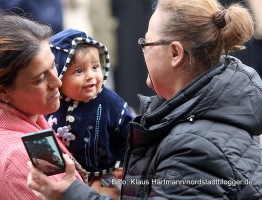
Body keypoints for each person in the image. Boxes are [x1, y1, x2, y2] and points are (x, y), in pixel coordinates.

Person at [27, 0, 262, 199]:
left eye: (146, 43)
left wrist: (71, 192)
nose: (142, 50)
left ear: (175, 54)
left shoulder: (194, 149)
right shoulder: (187, 115)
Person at [0, 14, 91, 199]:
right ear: (2, 91)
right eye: (40, 78)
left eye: (53, 65)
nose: (57, 82)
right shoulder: (20, 154)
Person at [46, 29, 134, 187]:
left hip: (106, 174)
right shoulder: (50, 103)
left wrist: (123, 164)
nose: (90, 76)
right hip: (62, 177)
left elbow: (130, 136)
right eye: (79, 71)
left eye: (95, 67)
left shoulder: (112, 105)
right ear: (59, 74)